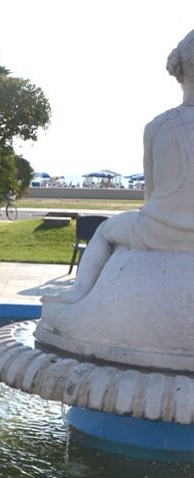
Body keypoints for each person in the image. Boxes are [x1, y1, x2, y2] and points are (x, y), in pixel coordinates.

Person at [50, 28, 194, 304]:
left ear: (179, 73)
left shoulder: (158, 126)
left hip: (159, 231)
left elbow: (150, 195)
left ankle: (79, 291)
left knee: (104, 231)